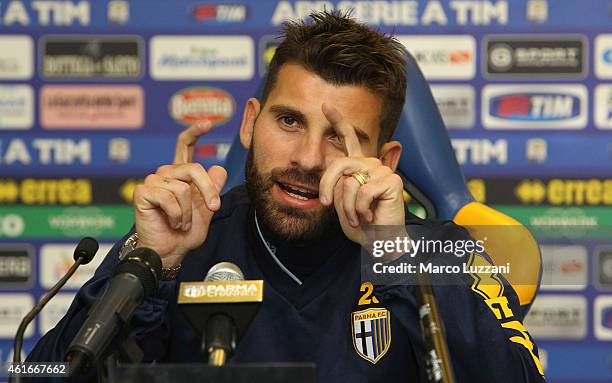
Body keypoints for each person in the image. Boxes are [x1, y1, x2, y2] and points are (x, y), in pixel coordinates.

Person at [26, 10, 545, 382]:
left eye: (341, 137)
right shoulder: (179, 239)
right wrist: (151, 267)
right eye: (290, 121)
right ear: (251, 123)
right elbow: (42, 372)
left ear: (385, 162)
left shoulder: (438, 248)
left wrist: (394, 255)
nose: (309, 158)